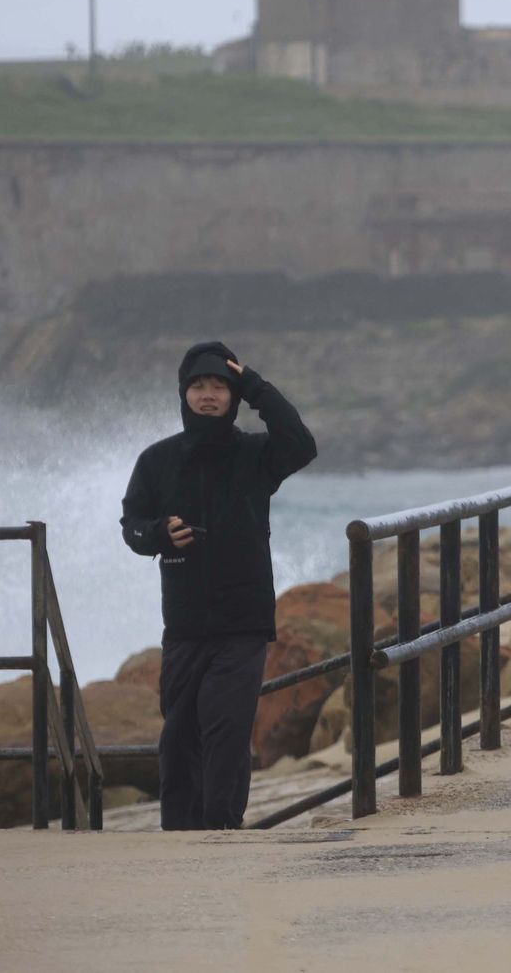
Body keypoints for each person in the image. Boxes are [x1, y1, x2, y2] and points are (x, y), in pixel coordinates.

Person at [120, 342, 317, 830]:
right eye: (198, 386)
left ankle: (222, 830)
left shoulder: (256, 455)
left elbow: (300, 442)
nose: (207, 395)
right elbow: (132, 526)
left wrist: (254, 385)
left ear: (233, 396)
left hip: (242, 622)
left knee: (226, 728)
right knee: (179, 735)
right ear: (183, 394)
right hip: (184, 624)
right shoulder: (157, 461)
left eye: (219, 387)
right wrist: (158, 534)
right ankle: (179, 834)